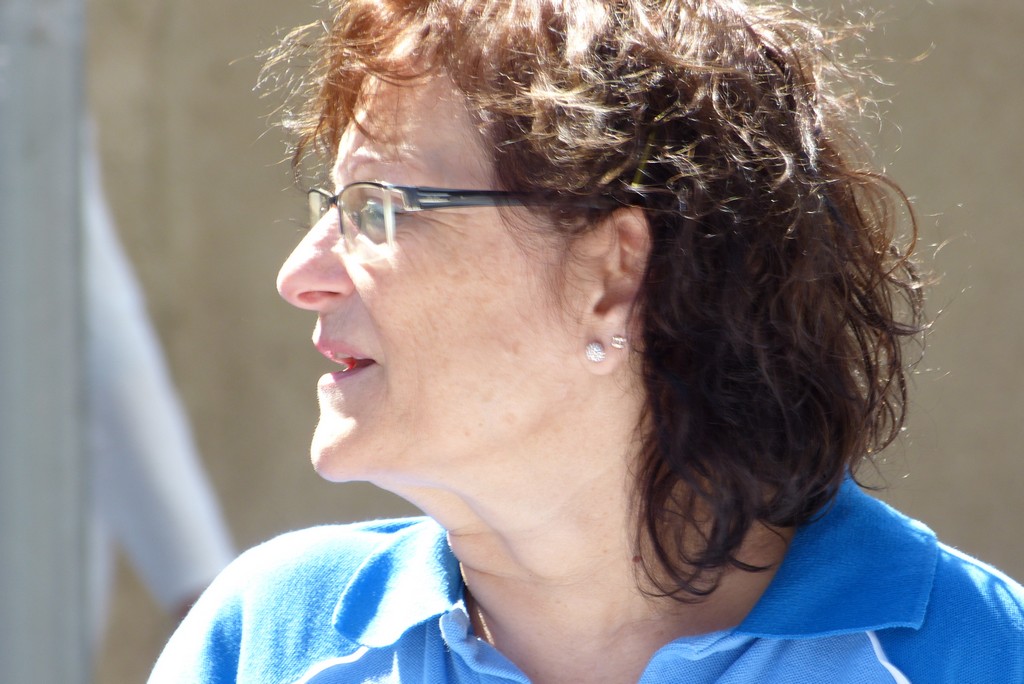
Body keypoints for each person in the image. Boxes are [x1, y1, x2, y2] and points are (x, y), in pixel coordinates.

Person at [149, 0, 1024, 681]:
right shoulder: (270, 642)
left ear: (611, 273)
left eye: (377, 210)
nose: (301, 274)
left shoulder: (976, 654)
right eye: (330, 207)